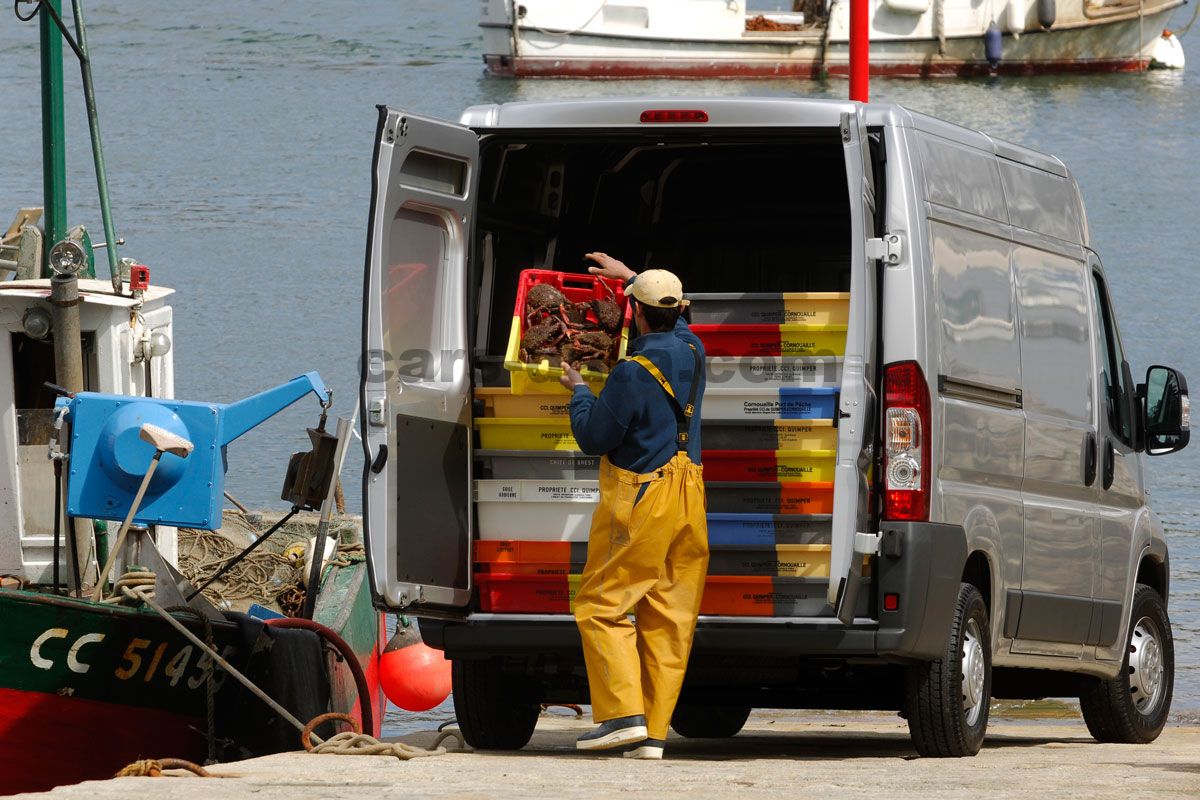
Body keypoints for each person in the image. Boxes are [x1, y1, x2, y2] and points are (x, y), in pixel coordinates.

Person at [558, 251, 708, 761]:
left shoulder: (630, 372)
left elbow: (594, 437)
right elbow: (678, 320)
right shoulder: (694, 350)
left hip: (644, 495)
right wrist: (632, 278)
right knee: (670, 615)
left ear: (637, 314)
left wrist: (578, 391)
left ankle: (623, 717)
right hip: (690, 494)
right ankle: (653, 735)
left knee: (601, 604)